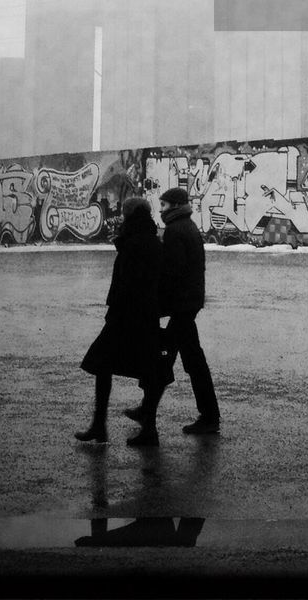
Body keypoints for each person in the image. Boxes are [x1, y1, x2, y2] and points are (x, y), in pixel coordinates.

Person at [75, 196, 171, 447]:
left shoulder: (135, 242)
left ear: (130, 216)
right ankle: (146, 429)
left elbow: (127, 283)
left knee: (103, 365)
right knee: (148, 371)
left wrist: (114, 312)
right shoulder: (150, 239)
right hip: (144, 317)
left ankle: (100, 425)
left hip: (126, 318)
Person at [127, 186, 221, 435]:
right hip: (187, 305)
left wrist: (159, 305)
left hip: (182, 305)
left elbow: (171, 273)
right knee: (188, 359)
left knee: (165, 359)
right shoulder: (186, 226)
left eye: (165, 205)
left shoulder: (176, 231)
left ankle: (204, 416)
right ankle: (206, 414)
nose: (161, 209)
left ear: (176, 206)